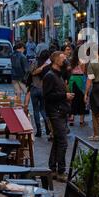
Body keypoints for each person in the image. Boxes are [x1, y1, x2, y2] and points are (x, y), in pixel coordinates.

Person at [43, 51, 74, 182]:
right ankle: (61, 171)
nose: (65, 60)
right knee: (63, 142)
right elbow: (47, 96)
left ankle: (52, 169)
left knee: (57, 141)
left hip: (61, 111)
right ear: (55, 60)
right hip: (55, 112)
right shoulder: (49, 76)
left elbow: (68, 73)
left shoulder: (58, 74)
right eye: (63, 58)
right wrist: (64, 96)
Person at [29, 50, 51, 138]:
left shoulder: (35, 62)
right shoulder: (49, 65)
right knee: (43, 110)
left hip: (34, 88)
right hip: (44, 89)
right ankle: (48, 128)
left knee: (35, 110)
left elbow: (31, 72)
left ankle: (38, 130)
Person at [68, 47, 87, 127]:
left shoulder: (71, 60)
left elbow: (69, 69)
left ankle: (72, 118)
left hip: (72, 79)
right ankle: (81, 120)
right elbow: (83, 71)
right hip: (80, 79)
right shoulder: (82, 60)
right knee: (82, 99)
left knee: (73, 99)